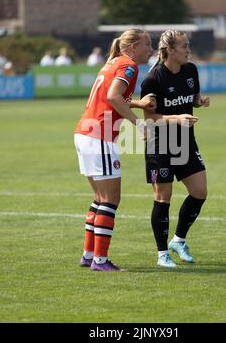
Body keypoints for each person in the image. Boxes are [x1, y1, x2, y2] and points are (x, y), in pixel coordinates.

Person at [74, 29, 156, 271]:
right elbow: (113, 97)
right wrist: (139, 122)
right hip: (99, 135)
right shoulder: (129, 65)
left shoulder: (113, 62)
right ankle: (100, 260)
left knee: (100, 199)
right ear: (131, 47)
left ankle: (89, 255)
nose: (150, 49)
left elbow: (112, 96)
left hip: (85, 133)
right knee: (111, 199)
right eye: (147, 44)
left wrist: (138, 102)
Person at [140, 30, 210, 268]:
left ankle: (178, 240)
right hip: (160, 143)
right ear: (170, 50)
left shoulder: (191, 71)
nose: (188, 50)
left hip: (186, 141)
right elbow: (148, 119)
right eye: (183, 46)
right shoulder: (153, 79)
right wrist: (176, 119)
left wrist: (199, 101)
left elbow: (190, 98)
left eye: (188, 45)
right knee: (163, 198)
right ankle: (162, 255)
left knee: (200, 191)